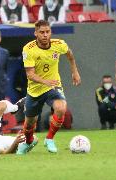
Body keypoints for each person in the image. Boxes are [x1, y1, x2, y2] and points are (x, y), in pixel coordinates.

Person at [18, 20, 81, 154]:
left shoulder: (59, 44)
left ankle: (49, 138)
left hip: (53, 86)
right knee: (30, 123)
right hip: (35, 90)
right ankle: (28, 142)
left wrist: (74, 71)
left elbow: (70, 55)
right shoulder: (28, 49)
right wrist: (45, 81)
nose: (45, 35)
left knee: (61, 107)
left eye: (47, 32)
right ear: (36, 33)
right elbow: (30, 74)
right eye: (42, 32)